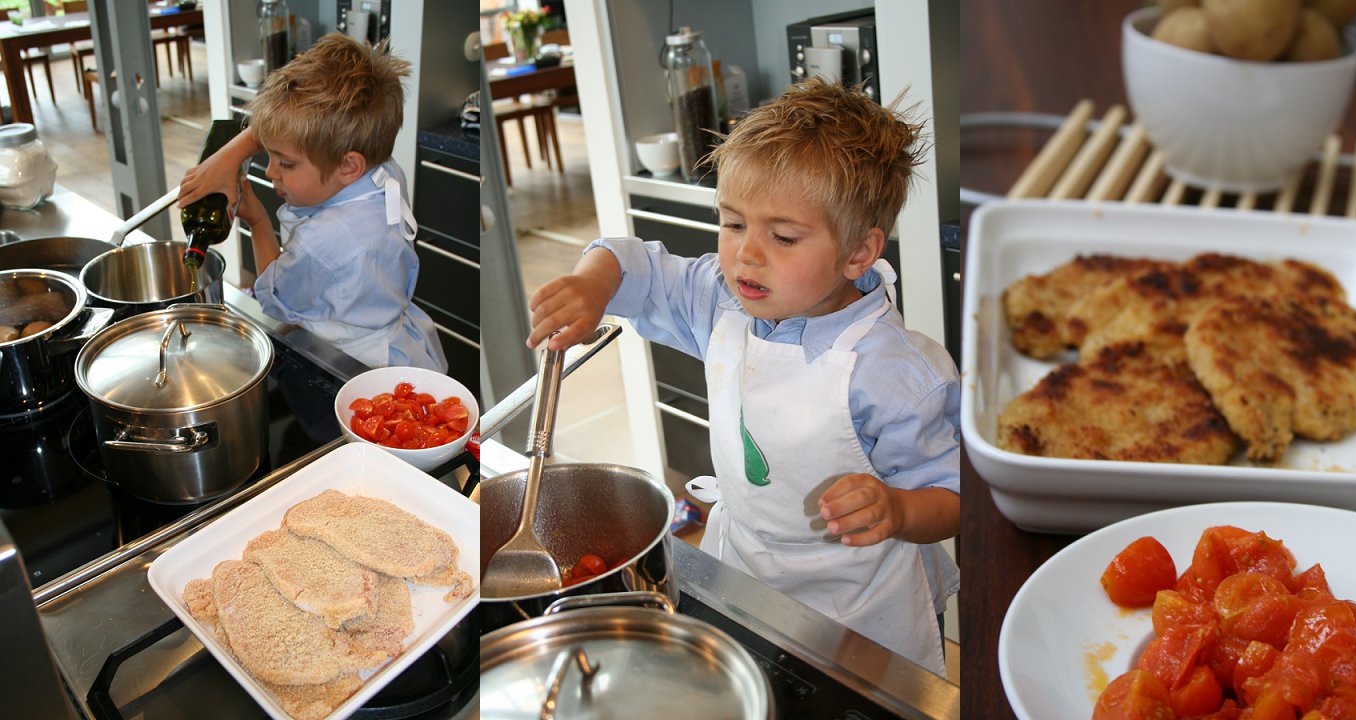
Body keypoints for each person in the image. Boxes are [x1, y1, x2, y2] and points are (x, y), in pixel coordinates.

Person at [526, 78, 960, 674]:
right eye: (733, 224)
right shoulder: (723, 301)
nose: (746, 256)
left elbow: (957, 495)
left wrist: (900, 508)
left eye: (782, 237)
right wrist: (592, 284)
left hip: (860, 605)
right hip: (748, 567)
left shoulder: (896, 373)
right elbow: (635, 264)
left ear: (859, 253)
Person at [180, 35, 446, 373]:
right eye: (269, 154)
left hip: (352, 364)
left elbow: (274, 298)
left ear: (348, 166)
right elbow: (291, 131)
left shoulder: (323, 241)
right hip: (400, 339)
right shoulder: (383, 171)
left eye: (286, 163)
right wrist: (231, 154)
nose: (271, 171)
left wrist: (258, 221)